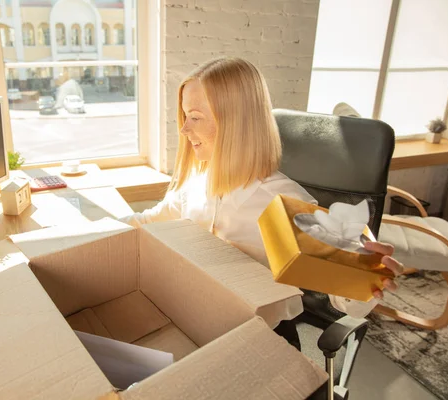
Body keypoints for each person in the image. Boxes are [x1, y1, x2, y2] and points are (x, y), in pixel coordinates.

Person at [122, 57, 404, 330]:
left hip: (260, 333)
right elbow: (148, 222)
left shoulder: (282, 203)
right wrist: (91, 232)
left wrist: (367, 275)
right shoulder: (197, 182)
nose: (184, 129)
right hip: (196, 318)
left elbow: (345, 300)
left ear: (236, 123)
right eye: (185, 116)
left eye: (195, 117)